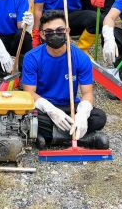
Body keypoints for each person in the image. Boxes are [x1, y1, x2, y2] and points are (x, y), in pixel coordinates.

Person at [22, 10, 109, 149]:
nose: (55, 34)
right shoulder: (32, 57)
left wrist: (82, 114)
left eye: (60, 30)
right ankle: (83, 138)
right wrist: (51, 110)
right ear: (43, 35)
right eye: (49, 31)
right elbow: (29, 93)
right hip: (44, 109)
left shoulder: (80, 57)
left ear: (67, 31)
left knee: (99, 117)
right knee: (28, 117)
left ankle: (52, 137)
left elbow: (87, 93)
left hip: (70, 107)